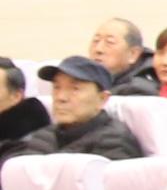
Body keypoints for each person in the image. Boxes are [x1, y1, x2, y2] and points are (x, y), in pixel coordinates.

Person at [7, 56, 148, 165]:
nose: (61, 97)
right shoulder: (44, 136)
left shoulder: (114, 142)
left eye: (75, 89)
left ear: (102, 98)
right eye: (57, 87)